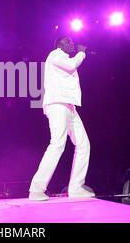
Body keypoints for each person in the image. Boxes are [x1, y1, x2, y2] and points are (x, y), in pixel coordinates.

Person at [29, 35, 94, 200]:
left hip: (69, 106)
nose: (72, 43)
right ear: (59, 44)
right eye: (68, 41)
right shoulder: (55, 54)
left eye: (72, 42)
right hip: (57, 104)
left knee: (83, 144)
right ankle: (36, 189)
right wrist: (81, 53)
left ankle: (76, 187)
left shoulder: (65, 58)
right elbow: (72, 65)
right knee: (57, 144)